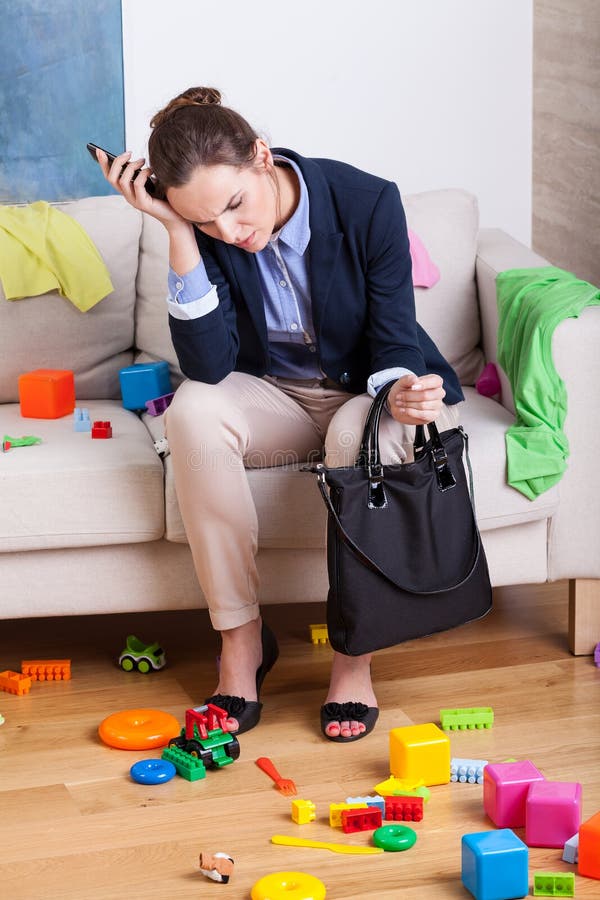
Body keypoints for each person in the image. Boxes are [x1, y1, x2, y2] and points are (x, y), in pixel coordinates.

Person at [97, 86, 464, 743]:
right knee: (194, 410)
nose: (232, 234)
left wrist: (403, 388)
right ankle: (240, 647)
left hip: (363, 391)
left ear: (261, 157)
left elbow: (394, 333)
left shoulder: (366, 201)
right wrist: (181, 231)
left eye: (234, 206)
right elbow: (209, 367)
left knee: (356, 430)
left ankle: (354, 659)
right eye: (209, 224)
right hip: (279, 398)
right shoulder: (203, 227)